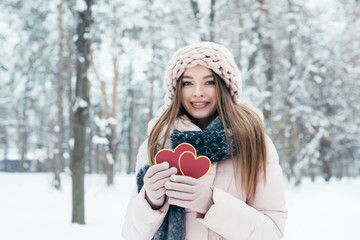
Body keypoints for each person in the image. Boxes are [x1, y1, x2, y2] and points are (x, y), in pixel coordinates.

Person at [122, 42, 287, 240]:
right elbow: (131, 235)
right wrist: (151, 202)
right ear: (176, 89)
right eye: (187, 83)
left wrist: (211, 203)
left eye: (209, 82)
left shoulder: (253, 142)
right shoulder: (159, 142)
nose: (198, 92)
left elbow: (272, 234)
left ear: (225, 87)